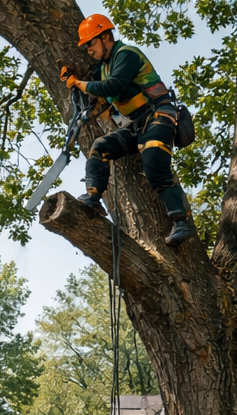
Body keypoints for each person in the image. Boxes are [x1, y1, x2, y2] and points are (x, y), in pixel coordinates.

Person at [61, 14, 195, 247]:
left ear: (106, 37)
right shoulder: (104, 68)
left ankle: (182, 221)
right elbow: (96, 87)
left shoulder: (126, 55)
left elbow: (112, 87)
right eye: (86, 47)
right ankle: (93, 197)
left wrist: (79, 83)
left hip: (158, 115)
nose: (89, 51)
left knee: (153, 158)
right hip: (137, 126)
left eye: (91, 44)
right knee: (100, 147)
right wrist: (71, 79)